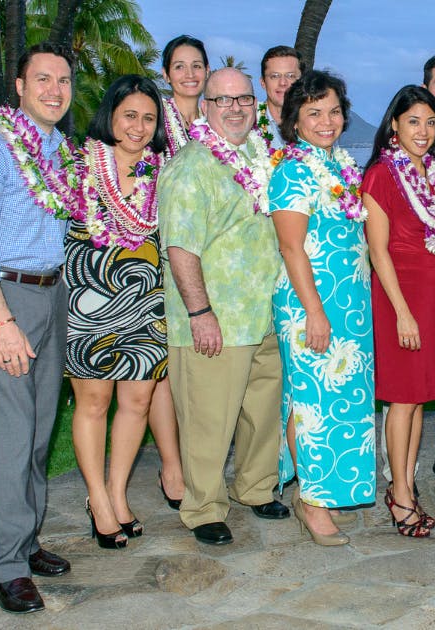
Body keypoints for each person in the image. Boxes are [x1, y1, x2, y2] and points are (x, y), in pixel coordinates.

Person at [0, 42, 77, 614]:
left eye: (63, 80)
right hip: (4, 297)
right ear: (20, 87)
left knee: (40, 428)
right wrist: (1, 322)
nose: (54, 90)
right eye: (43, 79)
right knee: (13, 430)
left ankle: (25, 542)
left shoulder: (58, 151)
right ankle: (5, 566)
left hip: (51, 297)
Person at [157, 67, 288, 547]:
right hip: (215, 318)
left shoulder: (260, 156)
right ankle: (204, 507)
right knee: (208, 419)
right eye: (223, 100)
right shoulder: (191, 167)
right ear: (205, 107)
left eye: (243, 100)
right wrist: (199, 313)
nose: (235, 108)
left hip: (263, 311)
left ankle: (255, 487)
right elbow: (179, 249)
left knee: (261, 412)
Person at [270, 70, 375, 547]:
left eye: (333, 111)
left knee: (338, 402)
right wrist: (314, 311)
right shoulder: (292, 169)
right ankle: (311, 502)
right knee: (311, 402)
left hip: (348, 304)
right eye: (313, 113)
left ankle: (327, 491)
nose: (326, 120)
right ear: (294, 121)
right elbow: (291, 247)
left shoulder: (337, 165)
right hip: (309, 302)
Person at [66, 74, 168, 551]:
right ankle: (97, 499)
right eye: (130, 115)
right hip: (89, 300)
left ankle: (117, 492)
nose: (139, 126)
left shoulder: (162, 169)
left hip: (146, 301)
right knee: (94, 403)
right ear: (111, 115)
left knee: (138, 403)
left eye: (149, 118)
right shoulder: (80, 164)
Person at [362, 85, 435, 538]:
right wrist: (401, 311)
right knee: (401, 399)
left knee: (419, 398)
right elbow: (377, 251)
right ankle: (400, 493)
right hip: (400, 294)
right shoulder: (382, 173)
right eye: (413, 121)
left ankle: (408, 483)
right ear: (395, 124)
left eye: (431, 122)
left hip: (434, 293)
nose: (423, 131)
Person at [153, 35, 209, 511]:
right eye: (180, 66)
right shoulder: (154, 121)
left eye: (197, 65)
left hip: (209, 253)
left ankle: (197, 459)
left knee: (193, 365)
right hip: (157, 246)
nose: (189, 73)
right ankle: (172, 464)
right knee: (162, 366)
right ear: (167, 73)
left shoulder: (217, 120)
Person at [258, 45, 303, 149]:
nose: (283, 83)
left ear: (301, 82)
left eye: (290, 76)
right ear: (263, 82)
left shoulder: (315, 123)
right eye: (275, 76)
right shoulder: (248, 123)